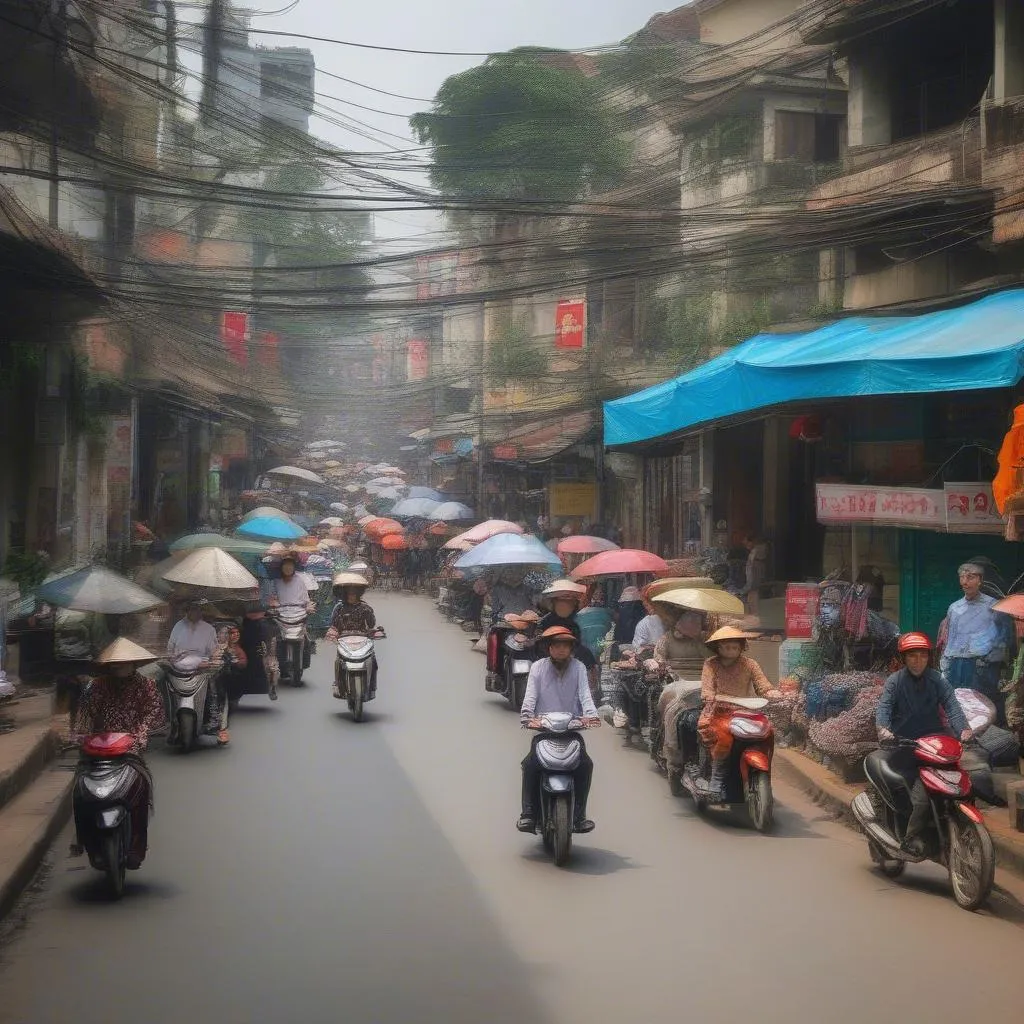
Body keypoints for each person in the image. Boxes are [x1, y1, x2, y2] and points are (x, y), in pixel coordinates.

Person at [875, 631, 972, 856]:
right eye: (912, 656)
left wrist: (964, 730)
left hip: (936, 743)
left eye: (923, 656)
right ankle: (910, 837)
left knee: (963, 780)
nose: (918, 661)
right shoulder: (895, 682)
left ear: (929, 658)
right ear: (904, 659)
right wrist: (884, 730)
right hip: (905, 744)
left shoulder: (937, 680)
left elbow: (953, 707)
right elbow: (884, 708)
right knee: (919, 797)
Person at [73, 638, 165, 868]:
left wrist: (141, 733)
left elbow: (153, 713)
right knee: (79, 789)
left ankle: (137, 847)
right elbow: (84, 718)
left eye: (124, 663)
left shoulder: (147, 686)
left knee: (142, 789)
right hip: (97, 748)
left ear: (134, 664)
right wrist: (79, 737)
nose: (119, 667)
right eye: (115, 664)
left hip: (129, 748)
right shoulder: (95, 687)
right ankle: (82, 839)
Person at [518, 626, 600, 834]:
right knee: (530, 765)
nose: (562, 650)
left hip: (572, 728)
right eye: (557, 645)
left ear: (571, 648)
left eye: (566, 646)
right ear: (549, 648)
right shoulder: (537, 667)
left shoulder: (579, 667)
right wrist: (527, 716)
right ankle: (528, 814)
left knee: (585, 765)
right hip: (543, 729)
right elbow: (530, 696)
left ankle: (579, 816)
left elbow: (585, 696)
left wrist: (592, 716)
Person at [697, 626, 781, 800]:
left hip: (744, 711)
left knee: (768, 732)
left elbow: (762, 685)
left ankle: (762, 776)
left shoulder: (750, 664)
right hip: (718, 710)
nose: (731, 651)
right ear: (718, 648)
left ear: (741, 647)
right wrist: (709, 697)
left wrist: (773, 693)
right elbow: (707, 689)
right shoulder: (711, 664)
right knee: (723, 738)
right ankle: (716, 780)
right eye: (727, 647)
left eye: (735, 647)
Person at [940, 562, 1014, 725]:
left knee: (984, 707)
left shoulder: (994, 606)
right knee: (957, 704)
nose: (965, 582)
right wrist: (946, 664)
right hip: (956, 665)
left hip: (982, 666)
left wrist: (991, 660)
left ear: (980, 580)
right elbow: (951, 639)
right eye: (962, 577)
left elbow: (1004, 637)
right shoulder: (954, 608)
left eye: (971, 577)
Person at [166, 598, 224, 744]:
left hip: (201, 670)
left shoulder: (208, 629)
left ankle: (219, 726)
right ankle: (169, 724)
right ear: (187, 611)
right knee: (161, 682)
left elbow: (215, 651)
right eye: (192, 608)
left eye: (198, 609)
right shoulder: (178, 626)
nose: (195, 612)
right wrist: (170, 659)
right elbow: (170, 649)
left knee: (217, 688)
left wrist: (212, 661)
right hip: (178, 669)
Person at [325, 573, 378, 699]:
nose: (352, 595)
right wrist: (333, 633)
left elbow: (371, 624)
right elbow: (333, 624)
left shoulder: (365, 608)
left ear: (359, 593)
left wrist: (373, 632)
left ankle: (372, 687)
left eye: (354, 593)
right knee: (339, 660)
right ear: (345, 594)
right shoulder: (338, 608)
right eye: (349, 593)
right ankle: (338, 683)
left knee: (373, 660)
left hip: (362, 640)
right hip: (344, 640)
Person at [240, 598, 280, 701]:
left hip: (263, 628)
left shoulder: (266, 592)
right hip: (249, 628)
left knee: (270, 660)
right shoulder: (243, 597)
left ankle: (272, 686)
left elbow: (274, 605)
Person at [653, 610, 707, 677]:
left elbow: (711, 658)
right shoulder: (666, 639)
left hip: (702, 675)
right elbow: (659, 659)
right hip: (678, 677)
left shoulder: (702, 637)